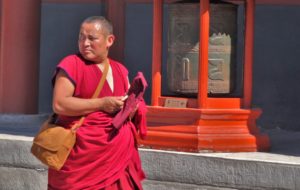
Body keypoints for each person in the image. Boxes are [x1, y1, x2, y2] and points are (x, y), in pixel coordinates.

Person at [48, 16, 146, 190]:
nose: (85, 43)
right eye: (81, 37)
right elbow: (60, 104)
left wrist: (133, 107)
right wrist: (101, 104)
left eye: (92, 38)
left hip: (117, 153)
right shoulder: (71, 64)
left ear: (110, 40)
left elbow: (128, 107)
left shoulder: (120, 69)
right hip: (82, 156)